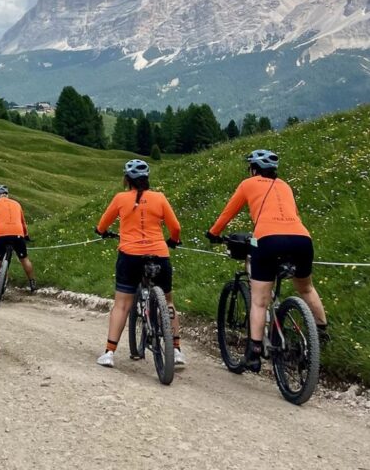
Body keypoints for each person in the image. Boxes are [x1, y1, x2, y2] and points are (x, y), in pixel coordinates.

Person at [207, 148, 329, 372]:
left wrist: (213, 233)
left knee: (259, 300)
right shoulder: (285, 186)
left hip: (268, 240)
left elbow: (228, 213)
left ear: (254, 169)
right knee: (306, 287)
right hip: (302, 239)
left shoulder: (248, 184)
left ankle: (254, 353)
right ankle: (320, 331)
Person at [94, 159, 186, 369]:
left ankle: (109, 353)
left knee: (122, 304)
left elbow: (102, 225)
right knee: (169, 301)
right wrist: (172, 240)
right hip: (159, 253)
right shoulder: (160, 198)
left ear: (126, 180)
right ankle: (177, 349)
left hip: (130, 255)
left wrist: (101, 232)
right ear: (147, 179)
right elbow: (176, 227)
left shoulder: (120, 198)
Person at [0, 185, 37, 292]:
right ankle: (32, 282)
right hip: (17, 234)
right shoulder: (17, 204)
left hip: (1, 234)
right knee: (24, 259)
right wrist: (26, 235)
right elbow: (23, 222)